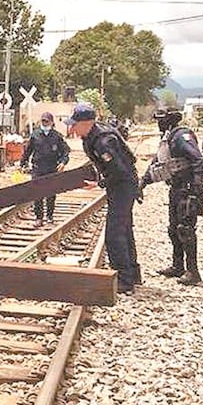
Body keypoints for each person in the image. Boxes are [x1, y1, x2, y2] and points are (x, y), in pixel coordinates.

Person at [66, 103, 141, 294]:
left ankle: (124, 281)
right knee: (124, 229)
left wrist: (100, 184)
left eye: (75, 124)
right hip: (120, 184)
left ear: (87, 123)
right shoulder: (91, 136)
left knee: (114, 234)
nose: (72, 128)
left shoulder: (103, 141)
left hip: (123, 185)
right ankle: (132, 274)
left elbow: (119, 170)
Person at [142, 109, 203, 286]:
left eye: (161, 121)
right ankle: (177, 266)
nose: (158, 124)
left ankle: (193, 272)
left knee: (185, 229)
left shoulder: (181, 136)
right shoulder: (168, 138)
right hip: (176, 188)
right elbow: (158, 164)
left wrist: (197, 184)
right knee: (173, 229)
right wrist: (143, 182)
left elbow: (197, 160)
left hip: (187, 189)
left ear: (169, 121)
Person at [19, 112, 71, 227]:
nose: (45, 123)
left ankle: (50, 217)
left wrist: (63, 162)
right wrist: (22, 163)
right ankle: (39, 218)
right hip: (38, 168)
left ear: (52, 122)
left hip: (52, 168)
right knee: (37, 193)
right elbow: (28, 151)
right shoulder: (35, 135)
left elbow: (66, 152)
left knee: (51, 194)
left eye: (47, 121)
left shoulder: (57, 136)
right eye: (43, 121)